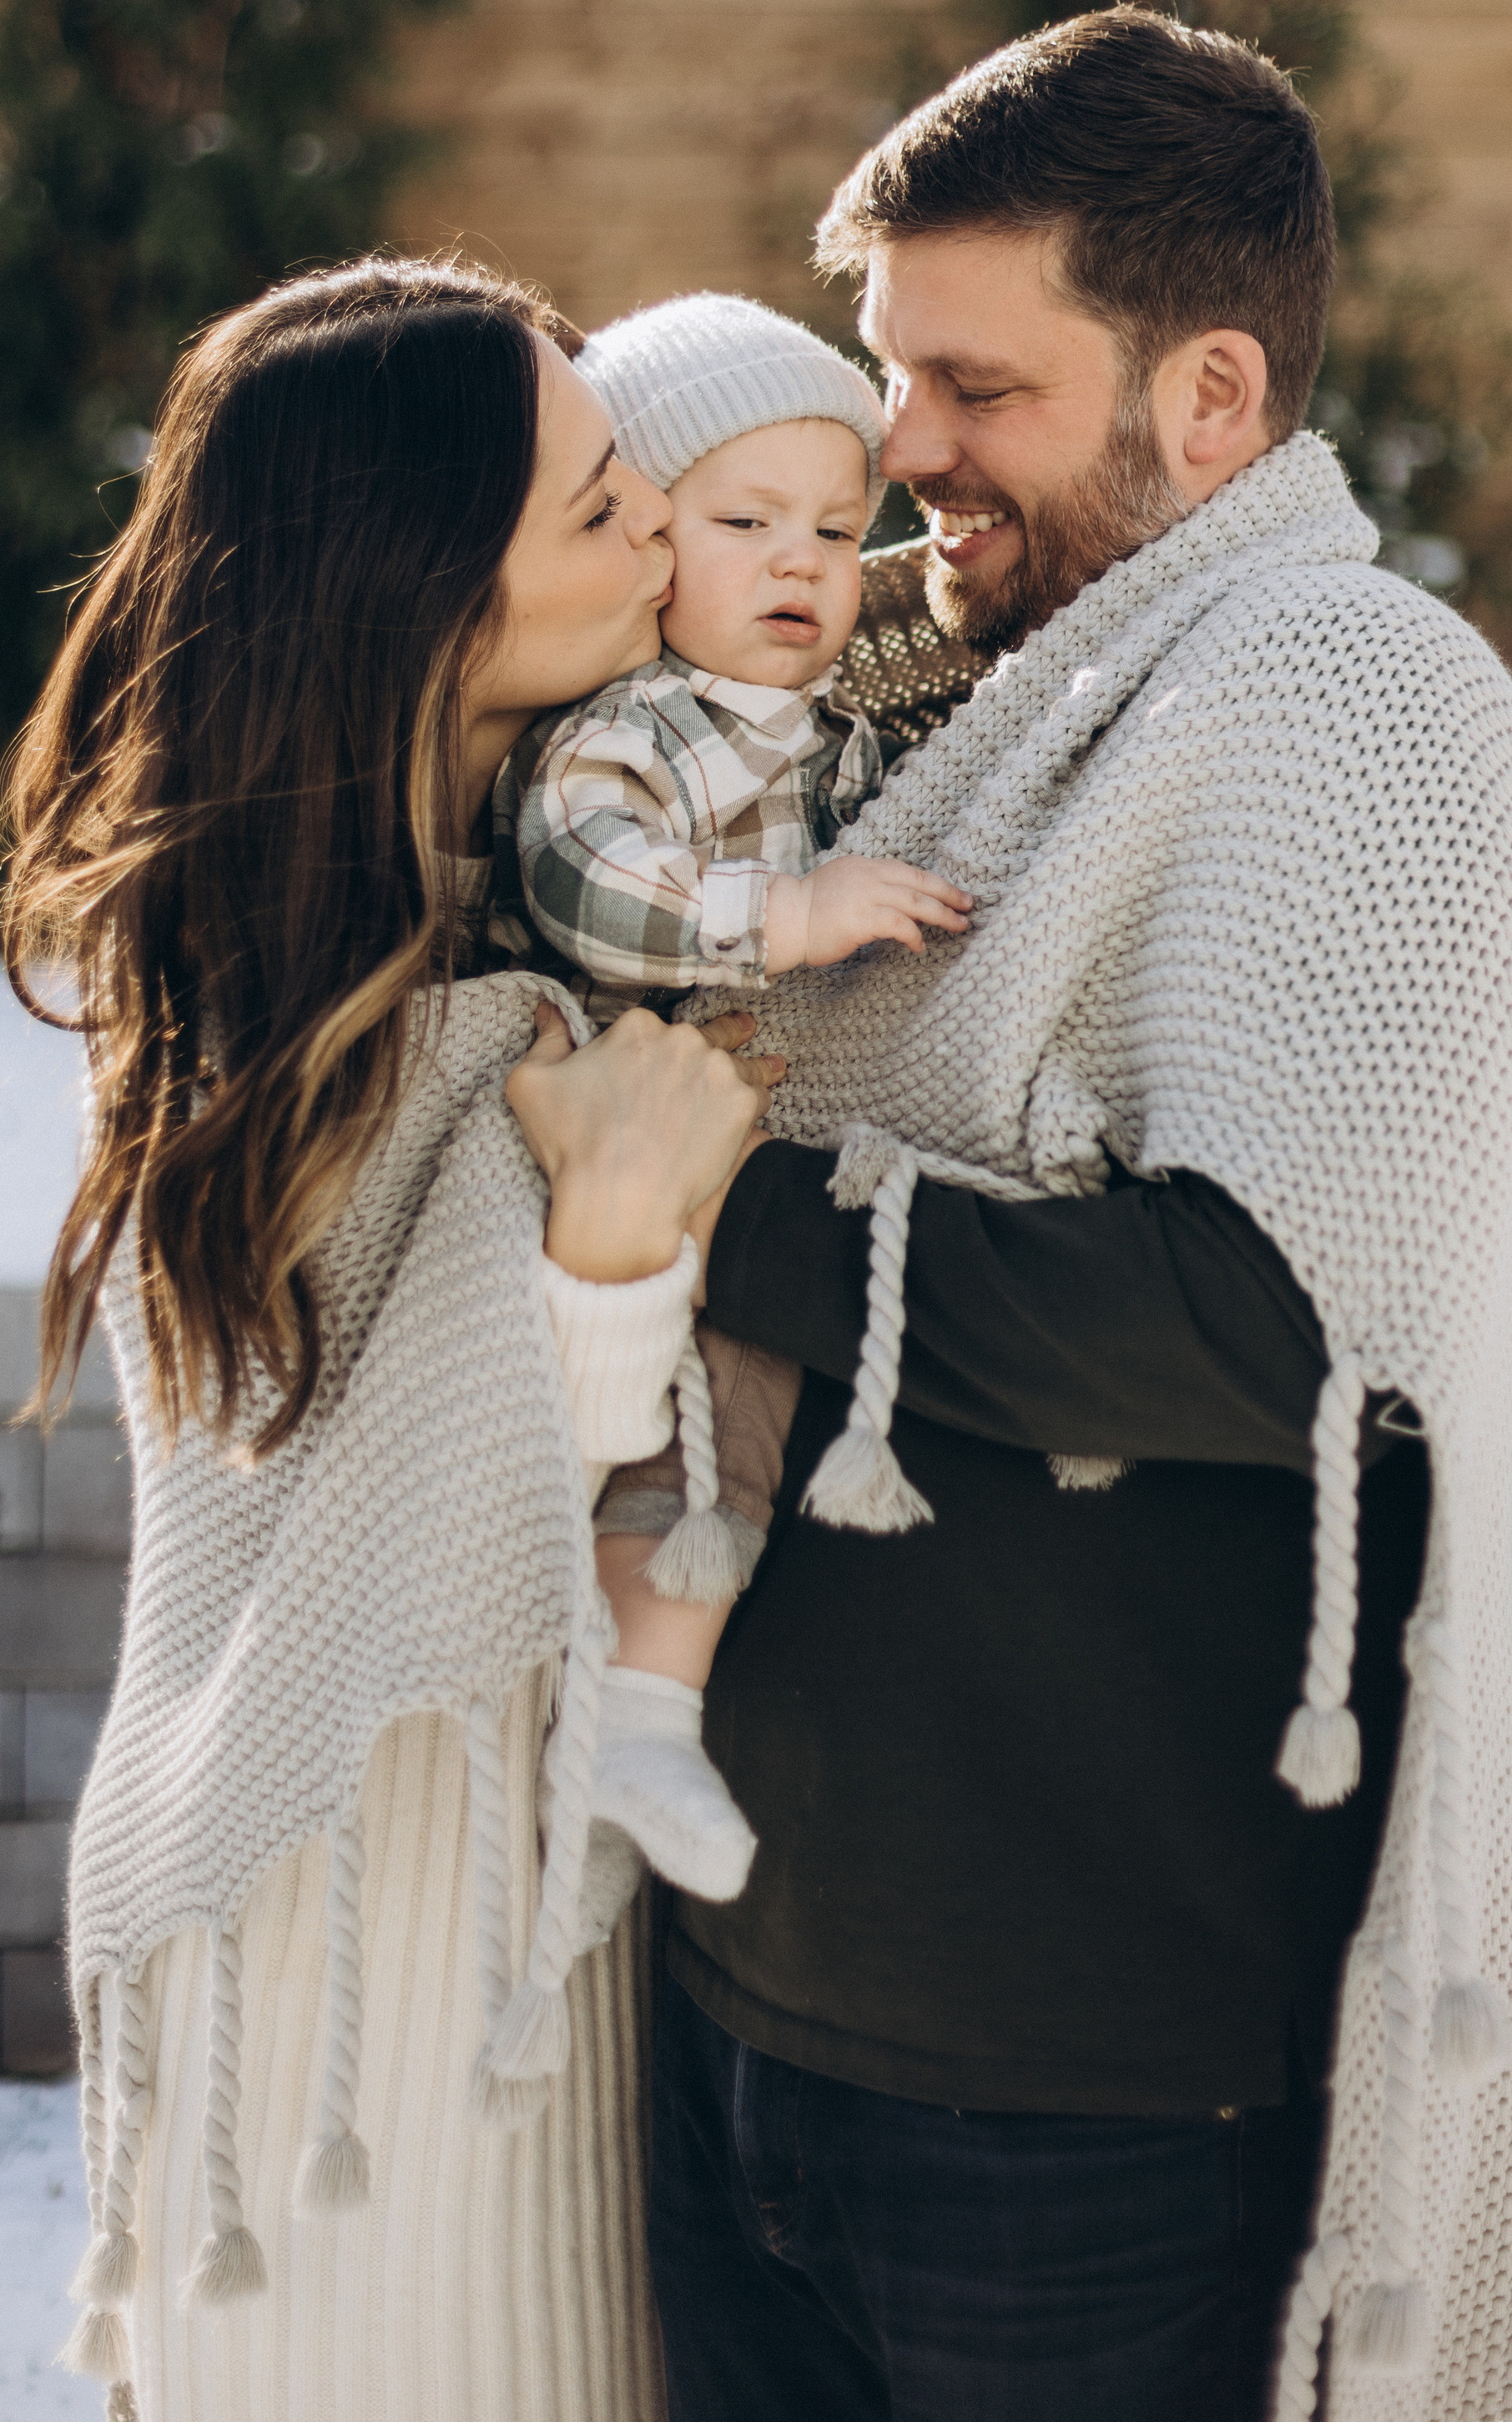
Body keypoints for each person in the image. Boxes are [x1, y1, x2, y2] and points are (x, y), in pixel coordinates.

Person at [635, 8, 1512, 2422]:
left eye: (979, 386)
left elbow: (1281, 1328)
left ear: (1212, 397)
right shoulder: (913, 702)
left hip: (1090, 2101)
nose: (900, 450)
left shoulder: (1355, 698)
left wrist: (700, 1193)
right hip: (741, 1997)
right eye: (890, 375)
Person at [7, 257, 773, 2422]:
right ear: (423, 597)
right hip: (356, 1924)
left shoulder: (532, 896)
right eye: (600, 505)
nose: (662, 525)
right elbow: (363, 1513)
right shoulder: (268, 993)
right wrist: (607, 1246)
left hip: (518, 1887)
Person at [492, 293, 970, 1932]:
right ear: (644, 539)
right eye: (745, 523)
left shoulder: (827, 720)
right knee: (654, 1433)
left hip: (754, 1169)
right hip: (632, 1145)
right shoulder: (633, 726)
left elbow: (936, 689)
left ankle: (641, 1720)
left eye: (835, 531)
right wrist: (786, 914)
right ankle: (618, 1722)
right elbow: (578, 878)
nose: (801, 566)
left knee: (732, 1440)